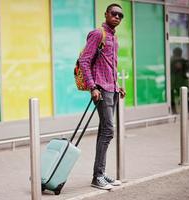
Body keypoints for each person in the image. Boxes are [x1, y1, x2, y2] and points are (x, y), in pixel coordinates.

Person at [79, 3, 126, 190]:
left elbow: (108, 65)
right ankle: (97, 176)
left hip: (111, 89)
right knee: (108, 130)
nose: (117, 17)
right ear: (106, 14)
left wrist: (117, 85)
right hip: (101, 89)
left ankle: (100, 173)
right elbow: (84, 60)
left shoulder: (114, 37)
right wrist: (92, 87)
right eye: (114, 13)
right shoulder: (98, 34)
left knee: (104, 131)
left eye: (121, 15)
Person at [170, 47, 189, 114]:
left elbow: (187, 68)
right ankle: (182, 111)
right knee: (182, 98)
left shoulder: (171, 60)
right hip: (177, 82)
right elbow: (187, 68)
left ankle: (176, 111)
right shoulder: (181, 60)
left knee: (181, 98)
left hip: (176, 82)